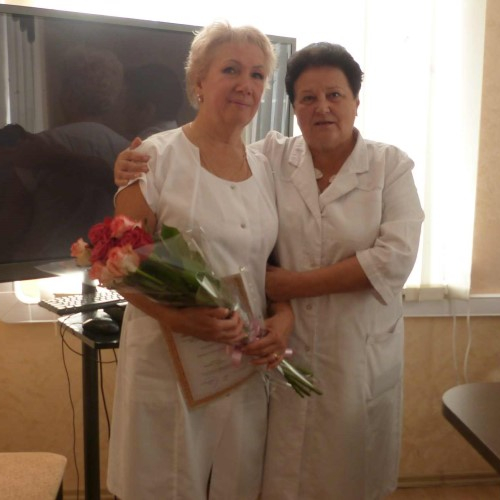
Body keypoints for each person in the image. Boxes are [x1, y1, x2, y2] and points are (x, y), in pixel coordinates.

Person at [115, 41, 424, 500]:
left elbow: (393, 257)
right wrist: (124, 166)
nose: (322, 107)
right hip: (238, 358)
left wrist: (288, 299)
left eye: (335, 95)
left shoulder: (386, 165)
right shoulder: (261, 157)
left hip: (342, 354)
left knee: (343, 477)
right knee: (258, 479)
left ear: (357, 101)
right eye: (307, 97)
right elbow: (121, 258)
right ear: (293, 108)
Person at [107, 21, 293, 500]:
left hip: (240, 362)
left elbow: (271, 266)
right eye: (231, 70)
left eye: (257, 75)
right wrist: (180, 319)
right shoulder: (154, 157)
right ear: (199, 81)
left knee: (238, 482)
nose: (245, 84)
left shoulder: (266, 169)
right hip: (167, 361)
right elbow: (115, 263)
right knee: (164, 485)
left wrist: (284, 319)